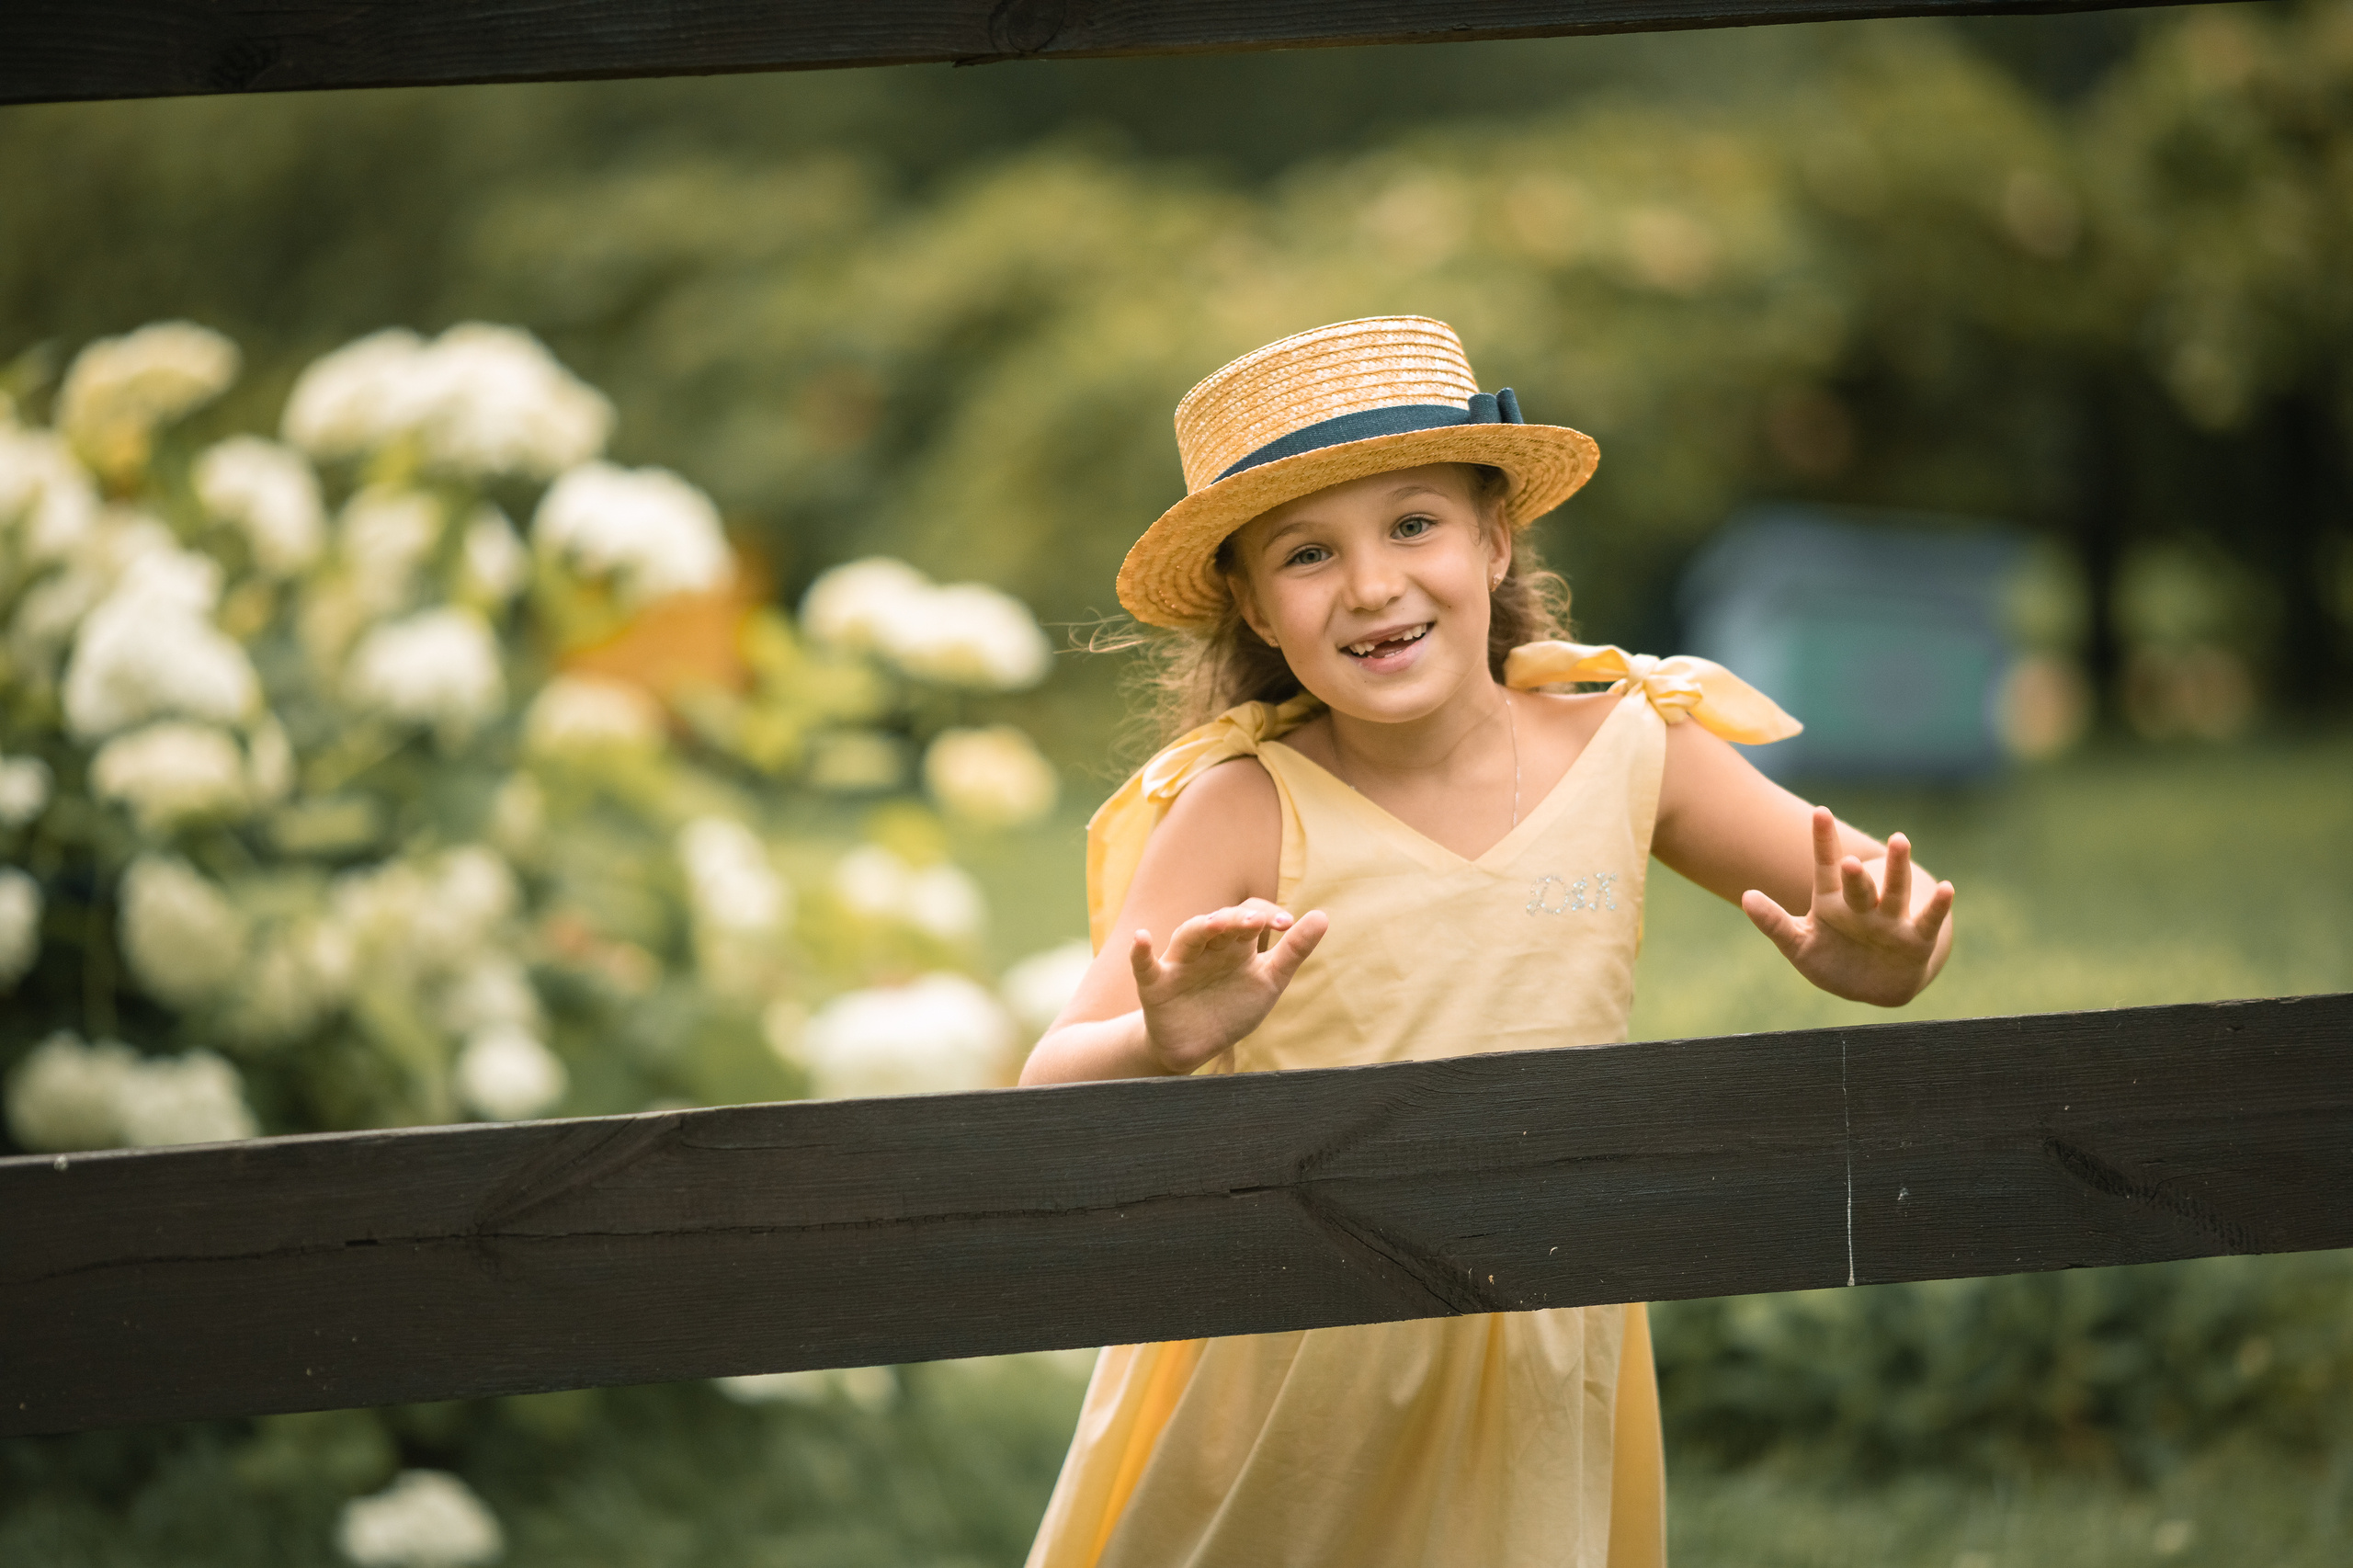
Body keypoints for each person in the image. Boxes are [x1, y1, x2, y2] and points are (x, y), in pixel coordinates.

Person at [1018, 316, 1955, 1568]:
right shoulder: (1244, 803)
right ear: (1251, 600)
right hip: (1290, 1365)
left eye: (1415, 524)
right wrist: (1163, 1033)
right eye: (1308, 552)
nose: (1371, 584)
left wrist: (1889, 965)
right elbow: (1042, 1088)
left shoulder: (1634, 745)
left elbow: (1887, 919)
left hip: (1533, 1335)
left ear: (1494, 537)